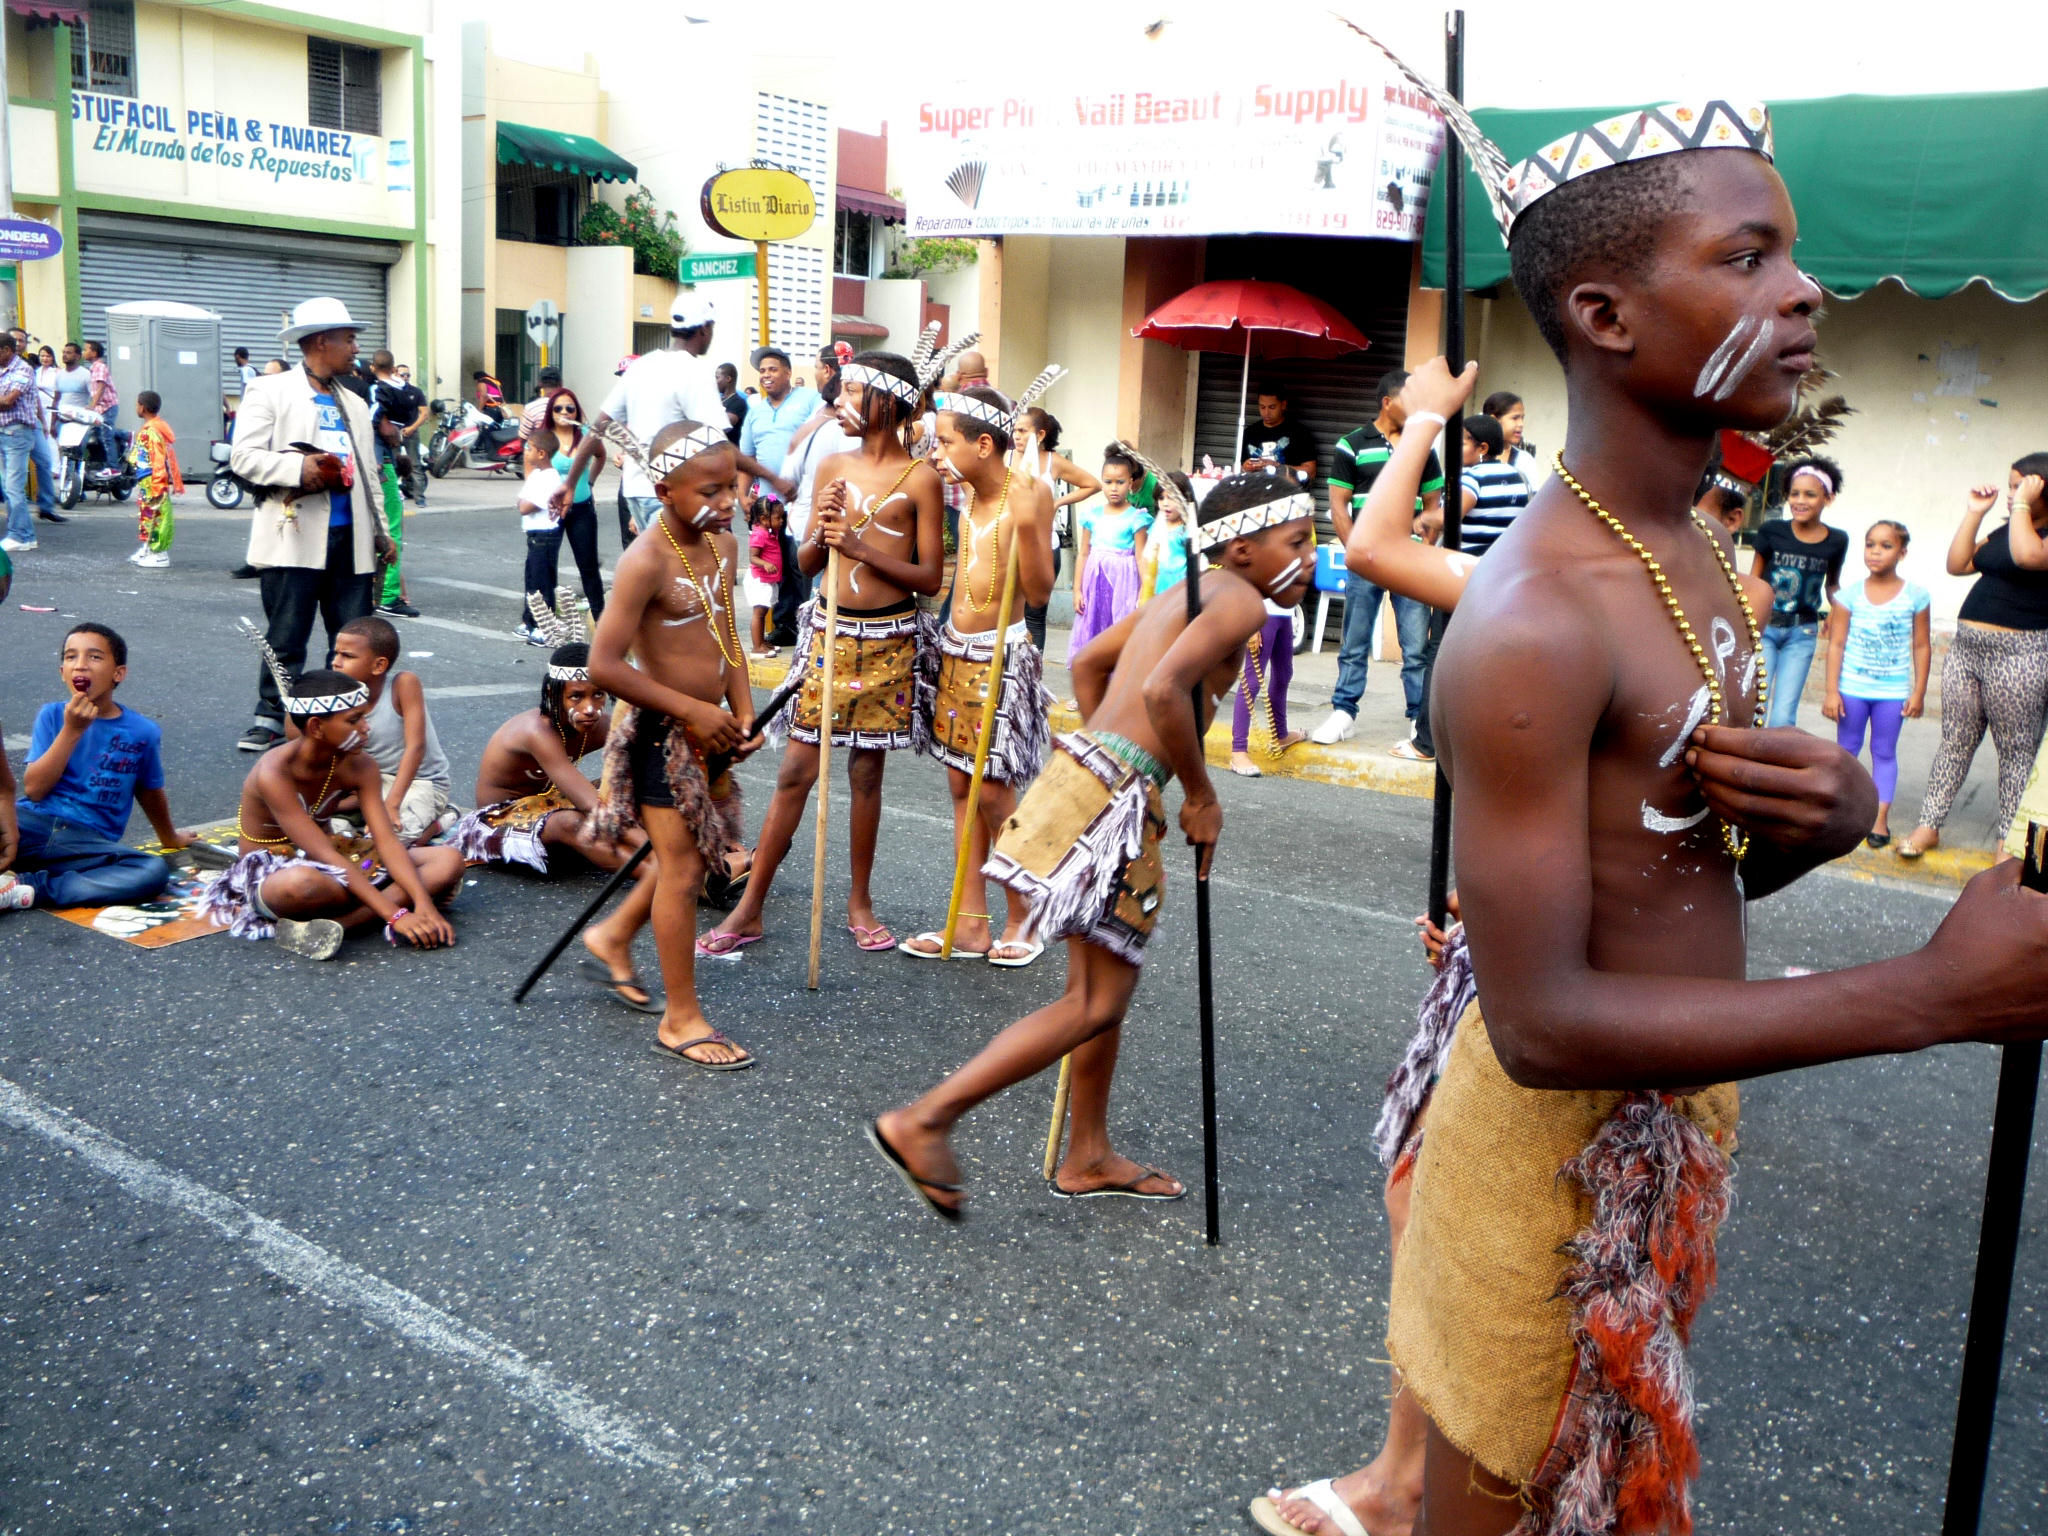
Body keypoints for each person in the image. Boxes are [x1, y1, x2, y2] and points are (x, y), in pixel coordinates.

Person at [870, 472, 1318, 1219]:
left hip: (1085, 773)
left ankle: (1087, 1153)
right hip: (1116, 795)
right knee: (1093, 999)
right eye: (1298, 542)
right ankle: (924, 1120)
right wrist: (1199, 795)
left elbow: (1088, 666)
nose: (1310, 558)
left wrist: (1105, 753)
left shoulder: (1185, 593)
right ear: (1242, 548)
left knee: (1103, 992)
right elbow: (1162, 692)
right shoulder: (1237, 599)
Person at [705, 350, 944, 957]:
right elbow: (807, 563)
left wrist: (862, 547)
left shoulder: (921, 479)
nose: (840, 400)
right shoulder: (832, 462)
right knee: (794, 773)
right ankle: (750, 906)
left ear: (887, 403)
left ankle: (859, 901)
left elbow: (930, 578)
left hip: (888, 640)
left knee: (866, 775)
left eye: (855, 391)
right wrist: (825, 529)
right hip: (828, 634)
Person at [582, 420, 760, 1068]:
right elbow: (604, 664)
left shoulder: (723, 545)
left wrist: (741, 713)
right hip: (663, 736)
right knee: (683, 870)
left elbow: (728, 637)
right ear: (663, 490)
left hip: (710, 730)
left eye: (731, 487)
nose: (725, 502)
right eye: (710, 490)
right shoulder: (644, 561)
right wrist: (690, 709)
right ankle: (681, 1019)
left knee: (675, 859)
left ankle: (612, 934)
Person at [898, 380, 1058, 965]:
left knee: (994, 792)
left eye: (943, 442)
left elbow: (1039, 590)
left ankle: (1024, 917)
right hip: (957, 650)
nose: (935, 452)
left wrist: (1028, 523)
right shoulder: (966, 494)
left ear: (985, 444)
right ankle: (968, 925)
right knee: (961, 786)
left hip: (1001, 653)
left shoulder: (1028, 493)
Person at [201, 641, 462, 961]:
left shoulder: (360, 764)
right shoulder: (273, 771)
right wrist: (396, 914)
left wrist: (422, 904)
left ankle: (342, 925)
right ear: (316, 727)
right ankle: (386, 902)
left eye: (364, 718)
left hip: (340, 858)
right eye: (354, 721)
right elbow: (322, 855)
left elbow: (385, 840)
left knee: (447, 861)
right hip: (279, 871)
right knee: (306, 884)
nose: (366, 729)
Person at [230, 298, 392, 752]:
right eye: (348, 338)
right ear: (321, 341)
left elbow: (368, 471)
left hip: (352, 537)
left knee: (352, 637)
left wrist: (383, 531)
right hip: (293, 534)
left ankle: (339, 716)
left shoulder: (355, 401)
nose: (355, 347)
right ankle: (272, 714)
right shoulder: (270, 390)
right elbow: (243, 456)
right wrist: (298, 470)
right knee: (287, 632)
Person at [1899, 459, 2048, 859]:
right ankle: (1929, 824)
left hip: (2021, 654)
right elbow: (1958, 564)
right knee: (1954, 742)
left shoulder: (2033, 535)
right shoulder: (2005, 530)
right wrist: (1974, 513)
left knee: (2016, 752)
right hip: (1968, 649)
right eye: (2012, 486)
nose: (2012, 494)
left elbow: (2030, 557)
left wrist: (2021, 509)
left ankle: (2008, 840)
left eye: (2020, 486)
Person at [558, 294, 789, 543]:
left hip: (635, 490)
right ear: (704, 328)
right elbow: (720, 446)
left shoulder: (640, 366)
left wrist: (570, 483)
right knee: (691, 570)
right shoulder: (694, 372)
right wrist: (773, 478)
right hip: (672, 497)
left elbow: (598, 427)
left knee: (664, 572)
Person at [3, 622, 193, 912]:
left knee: (151, 872)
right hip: (31, 825)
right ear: (62, 673)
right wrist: (72, 730)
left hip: (85, 842)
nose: (81, 666)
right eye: (70, 657)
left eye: (94, 657)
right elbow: (35, 790)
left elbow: (149, 791)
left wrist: (170, 838)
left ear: (119, 673)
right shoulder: (53, 715)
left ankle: (27, 888)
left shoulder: (142, 731)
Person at [1308, 368, 1443, 751]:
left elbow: (1434, 505)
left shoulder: (1423, 447)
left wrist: (1423, 551)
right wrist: (1357, 552)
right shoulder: (1351, 444)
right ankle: (1343, 713)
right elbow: (1338, 507)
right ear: (1388, 403)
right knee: (1354, 641)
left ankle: (1420, 723)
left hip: (1409, 559)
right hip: (1366, 559)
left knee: (1416, 648)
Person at [1822, 521, 1931, 849]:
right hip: (1851, 689)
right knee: (1846, 752)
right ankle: (1841, 815)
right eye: (1870, 544)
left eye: (1885, 545)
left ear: (1902, 552)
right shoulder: (1848, 595)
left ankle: (1879, 819)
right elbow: (1836, 644)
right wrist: (1831, 691)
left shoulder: (1917, 596)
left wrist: (1919, 691)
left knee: (1883, 752)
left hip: (1891, 693)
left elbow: (1921, 645)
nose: (1875, 552)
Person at [328, 615, 451, 844]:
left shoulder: (403, 684)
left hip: (417, 783)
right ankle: (359, 812)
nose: (336, 662)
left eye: (347, 656)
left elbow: (416, 747)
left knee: (390, 839)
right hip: (367, 783)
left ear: (379, 665)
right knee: (326, 833)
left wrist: (391, 806)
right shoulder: (339, 695)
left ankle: (439, 822)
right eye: (336, 653)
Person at [1750, 456, 1848, 727]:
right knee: (1755, 707)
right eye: (1794, 493)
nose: (1799, 500)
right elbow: (1754, 580)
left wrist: (1839, 611)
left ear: (1828, 498)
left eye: (1810, 494)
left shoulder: (1837, 540)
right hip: (1765, 629)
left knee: (1783, 716)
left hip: (1801, 633)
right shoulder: (1772, 531)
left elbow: (1832, 584)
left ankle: (1772, 767)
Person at [1014, 406, 1102, 648]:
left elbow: (1092, 485)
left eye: (1023, 431)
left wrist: (1057, 503)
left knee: (1034, 617)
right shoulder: (1007, 458)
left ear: (1040, 435)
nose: (1016, 436)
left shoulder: (1054, 461)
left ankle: (1032, 676)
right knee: (1010, 614)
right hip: (1010, 547)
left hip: (1044, 548)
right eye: (1014, 430)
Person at [1066, 445, 1152, 667]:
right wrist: (1077, 590)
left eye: (1120, 482)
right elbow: (1083, 553)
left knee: (1117, 630)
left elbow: (1141, 557)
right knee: (1092, 630)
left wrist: (1145, 590)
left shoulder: (1137, 518)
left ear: (1131, 483)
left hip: (1123, 584)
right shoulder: (1091, 516)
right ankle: (1087, 689)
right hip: (1094, 584)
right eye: (1108, 482)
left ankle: (1114, 691)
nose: (1114, 488)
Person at [537, 386, 607, 619]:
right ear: (551, 411)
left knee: (588, 565)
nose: (564, 412)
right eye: (558, 408)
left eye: (570, 408)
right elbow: (531, 471)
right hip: (551, 509)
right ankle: (544, 618)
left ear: (577, 411)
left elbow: (601, 455)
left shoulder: (586, 434)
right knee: (547, 564)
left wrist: (590, 482)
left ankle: (599, 616)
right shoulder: (543, 438)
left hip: (582, 507)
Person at [738, 347, 822, 516]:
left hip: (803, 507)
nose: (766, 375)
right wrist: (741, 495)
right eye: (762, 371)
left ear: (788, 373)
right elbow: (747, 459)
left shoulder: (811, 399)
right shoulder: (755, 412)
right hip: (767, 509)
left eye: (773, 369)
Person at [1454, 413, 1529, 557]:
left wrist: (1424, 518)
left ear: (1483, 448)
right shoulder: (1519, 477)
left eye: (1461, 444)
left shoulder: (1473, 478)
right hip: (1502, 562)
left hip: (1469, 563)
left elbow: (1448, 518)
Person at [0, 332, 45, 553]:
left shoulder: (22, 370)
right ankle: (22, 534)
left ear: (7, 351)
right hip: (3, 433)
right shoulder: (2, 370)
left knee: (13, 487)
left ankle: (21, 535)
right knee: (8, 487)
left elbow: (8, 401)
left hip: (17, 434)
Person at [126, 390, 182, 569]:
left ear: (142, 407)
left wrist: (158, 485)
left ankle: (159, 553)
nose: (136, 407)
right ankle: (149, 547)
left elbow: (157, 459)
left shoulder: (151, 431)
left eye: (137, 404)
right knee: (147, 515)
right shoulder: (152, 428)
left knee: (156, 516)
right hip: (147, 480)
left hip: (152, 480)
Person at [1240, 384, 1319, 487]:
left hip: (1287, 494)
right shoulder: (1249, 432)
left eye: (1272, 407)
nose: (1266, 412)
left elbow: (1311, 472)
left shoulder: (1300, 433)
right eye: (1262, 407)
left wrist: (1277, 467)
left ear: (1283, 405)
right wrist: (1245, 468)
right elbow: (1238, 469)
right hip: (1255, 493)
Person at [1138, 470, 1194, 602]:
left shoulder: (1186, 530)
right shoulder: (1156, 527)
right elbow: (1147, 557)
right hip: (1157, 582)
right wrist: (1144, 586)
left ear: (1185, 498)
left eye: (1172, 498)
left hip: (1179, 586)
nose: (1166, 503)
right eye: (1161, 498)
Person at [27, 344, 63, 528]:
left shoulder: (55, 372)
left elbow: (46, 396)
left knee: (46, 457)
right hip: (20, 421)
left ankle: (46, 506)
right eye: (42, 355)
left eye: (48, 355)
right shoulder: (34, 371)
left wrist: (44, 420)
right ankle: (20, 514)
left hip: (43, 415)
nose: (44, 358)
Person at [1481, 388, 1541, 490]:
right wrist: (1442, 483)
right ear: (1494, 420)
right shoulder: (1470, 455)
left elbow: (1533, 499)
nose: (1521, 424)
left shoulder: (1525, 461)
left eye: (1522, 418)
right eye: (1515, 418)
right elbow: (1445, 484)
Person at [745, 500, 783, 658]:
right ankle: (757, 646)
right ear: (763, 518)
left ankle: (761, 641)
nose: (781, 521)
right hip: (759, 579)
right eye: (778, 518)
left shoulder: (769, 531)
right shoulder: (760, 534)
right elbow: (753, 557)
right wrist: (765, 564)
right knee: (759, 613)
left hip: (768, 579)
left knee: (765, 610)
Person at [82, 339, 120, 473]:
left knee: (106, 436)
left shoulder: (100, 367)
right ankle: (125, 436)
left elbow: (101, 388)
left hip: (108, 406)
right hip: (101, 408)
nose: (83, 352)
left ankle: (113, 467)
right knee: (99, 433)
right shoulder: (93, 368)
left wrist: (91, 406)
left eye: (86, 349)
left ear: (94, 352)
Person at [518, 365, 563, 440]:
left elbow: (523, 437)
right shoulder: (570, 406)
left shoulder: (531, 408)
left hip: (540, 449)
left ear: (540, 383)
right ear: (561, 383)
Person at [716, 362, 746, 442]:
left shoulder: (738, 402)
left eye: (717, 377)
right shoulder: (719, 400)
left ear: (728, 379)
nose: (715, 381)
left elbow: (723, 425)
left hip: (730, 451)